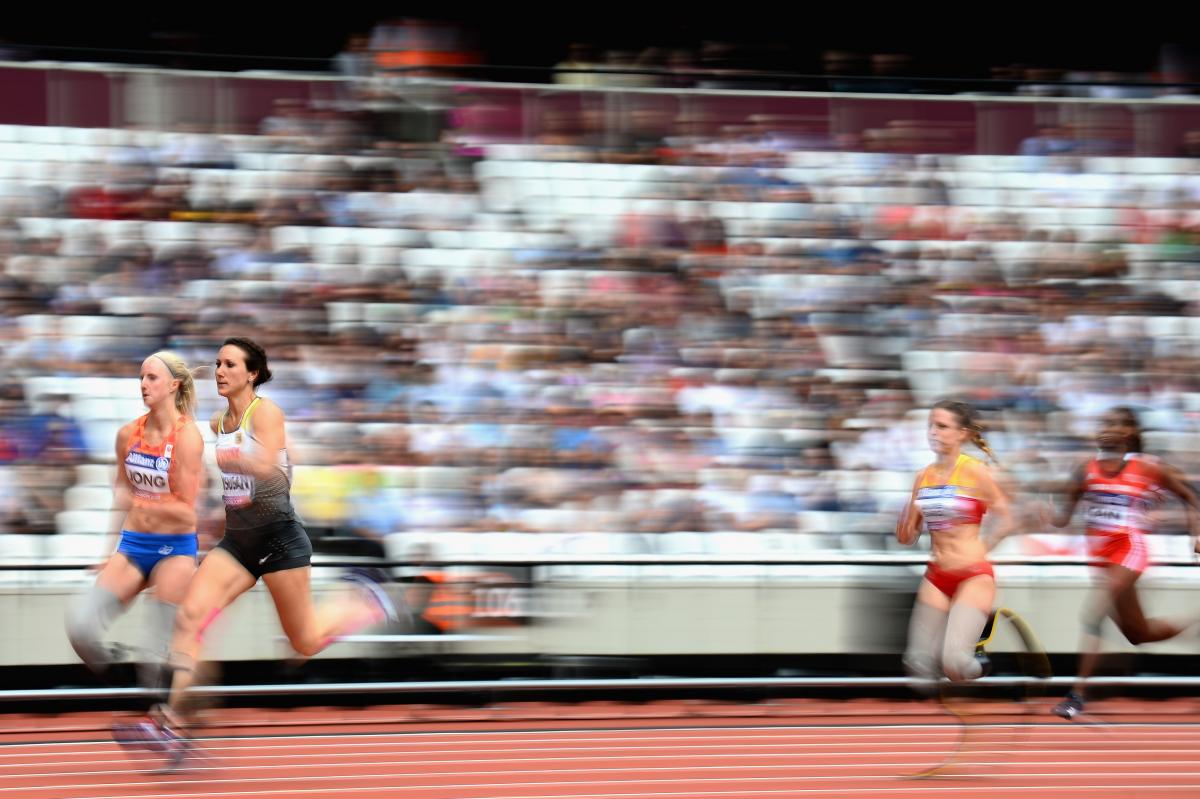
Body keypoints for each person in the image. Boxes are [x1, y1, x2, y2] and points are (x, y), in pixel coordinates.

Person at [127, 337, 396, 767]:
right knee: (189, 616)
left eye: (230, 364)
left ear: (251, 374)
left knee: (304, 641)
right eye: (217, 363)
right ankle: (170, 722)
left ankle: (363, 601)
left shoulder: (266, 412)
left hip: (278, 540)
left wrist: (238, 460)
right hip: (238, 542)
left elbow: (270, 466)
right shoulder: (218, 422)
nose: (220, 371)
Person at [65, 352, 203, 704]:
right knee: (81, 627)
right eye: (141, 377)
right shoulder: (128, 434)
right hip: (133, 546)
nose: (143, 384)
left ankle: (162, 721)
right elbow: (123, 491)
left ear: (174, 385)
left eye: (152, 378)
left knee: (153, 656)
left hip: (174, 550)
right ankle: (116, 671)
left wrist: (145, 504)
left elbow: (187, 514)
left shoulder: (187, 438)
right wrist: (107, 551)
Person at [1050, 406, 1200, 719]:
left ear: (1128, 434)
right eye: (1103, 422)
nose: (1105, 428)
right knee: (1138, 633)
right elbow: (1062, 518)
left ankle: (1076, 696)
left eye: (1114, 424)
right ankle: (1195, 625)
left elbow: (1191, 496)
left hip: (1129, 549)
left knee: (1094, 612)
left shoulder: (1146, 468)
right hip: (1101, 558)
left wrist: (1196, 534)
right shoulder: (1085, 468)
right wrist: (1047, 513)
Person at [896, 399, 1015, 689]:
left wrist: (985, 547)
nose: (933, 432)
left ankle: (977, 654)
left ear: (961, 433)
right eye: (930, 426)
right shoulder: (922, 476)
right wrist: (907, 511)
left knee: (955, 666)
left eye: (942, 426)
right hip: (937, 575)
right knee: (919, 668)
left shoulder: (975, 471)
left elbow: (1008, 518)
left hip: (973, 574)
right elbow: (907, 537)